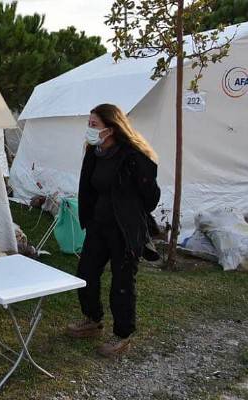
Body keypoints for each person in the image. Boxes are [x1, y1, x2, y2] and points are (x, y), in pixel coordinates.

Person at [66, 103, 160, 358]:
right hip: (99, 226)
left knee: (122, 283)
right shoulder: (94, 152)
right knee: (86, 273)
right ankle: (93, 319)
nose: (89, 128)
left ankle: (122, 334)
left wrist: (128, 207)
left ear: (111, 127)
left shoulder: (133, 156)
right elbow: (89, 187)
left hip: (124, 230)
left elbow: (151, 197)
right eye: (89, 123)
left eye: (93, 124)